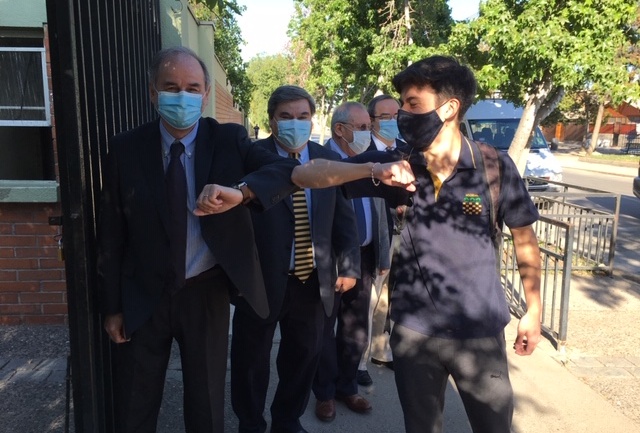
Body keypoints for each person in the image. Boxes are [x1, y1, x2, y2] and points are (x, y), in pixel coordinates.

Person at [290, 55, 542, 433]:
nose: (401, 115)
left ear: (450, 107)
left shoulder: (494, 166)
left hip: (480, 333)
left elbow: (524, 238)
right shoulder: (398, 164)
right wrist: (372, 170)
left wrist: (534, 310)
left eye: (412, 104)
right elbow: (305, 174)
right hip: (413, 334)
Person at [96, 46, 298, 433]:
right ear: (153, 92)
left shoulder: (228, 140)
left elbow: (284, 168)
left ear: (206, 94)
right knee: (135, 405)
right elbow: (111, 232)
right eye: (171, 87)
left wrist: (243, 191)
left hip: (204, 294)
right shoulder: (126, 148)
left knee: (206, 407)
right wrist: (111, 307)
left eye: (192, 87)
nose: (182, 96)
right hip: (143, 295)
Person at [229, 85, 362, 433]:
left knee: (303, 358)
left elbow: (344, 219)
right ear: (272, 121)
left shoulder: (327, 160)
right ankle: (251, 423)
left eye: (303, 116)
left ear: (312, 119)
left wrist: (349, 265)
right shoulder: (251, 156)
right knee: (250, 361)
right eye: (286, 117)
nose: (295, 123)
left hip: (312, 281)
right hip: (260, 283)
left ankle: (287, 421)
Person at [312, 102, 392, 422]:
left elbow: (381, 211)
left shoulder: (371, 159)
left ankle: (347, 387)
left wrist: (382, 254)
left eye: (368, 127)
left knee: (355, 328)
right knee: (324, 328)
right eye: (361, 128)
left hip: (365, 255)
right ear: (339, 130)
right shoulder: (321, 161)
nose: (367, 133)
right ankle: (325, 393)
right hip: (329, 261)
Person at [357, 94, 404, 386]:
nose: (392, 122)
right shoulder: (364, 153)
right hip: (378, 236)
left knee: (395, 298)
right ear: (372, 121)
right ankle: (359, 362)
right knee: (371, 300)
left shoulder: (408, 150)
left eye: (396, 116)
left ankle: (383, 351)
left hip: (406, 235)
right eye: (385, 118)